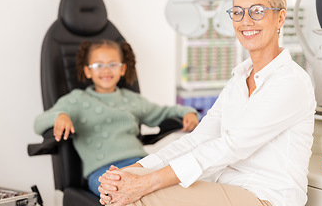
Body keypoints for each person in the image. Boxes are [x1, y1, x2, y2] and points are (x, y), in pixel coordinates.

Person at [98, 0, 316, 206]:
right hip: (226, 188)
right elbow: (198, 139)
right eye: (238, 12)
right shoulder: (239, 80)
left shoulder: (290, 82)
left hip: (265, 196)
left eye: (257, 11)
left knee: (140, 196)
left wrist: (147, 182)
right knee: (120, 189)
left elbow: (230, 146)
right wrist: (134, 171)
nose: (246, 21)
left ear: (280, 18)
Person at [33, 39, 199, 196]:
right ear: (88, 71)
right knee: (130, 194)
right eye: (98, 65)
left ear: (122, 69)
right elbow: (39, 122)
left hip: (141, 164)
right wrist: (60, 116)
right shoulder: (76, 100)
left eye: (112, 64)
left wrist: (188, 112)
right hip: (102, 171)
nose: (106, 70)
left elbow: (164, 112)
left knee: (178, 187)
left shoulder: (131, 99)